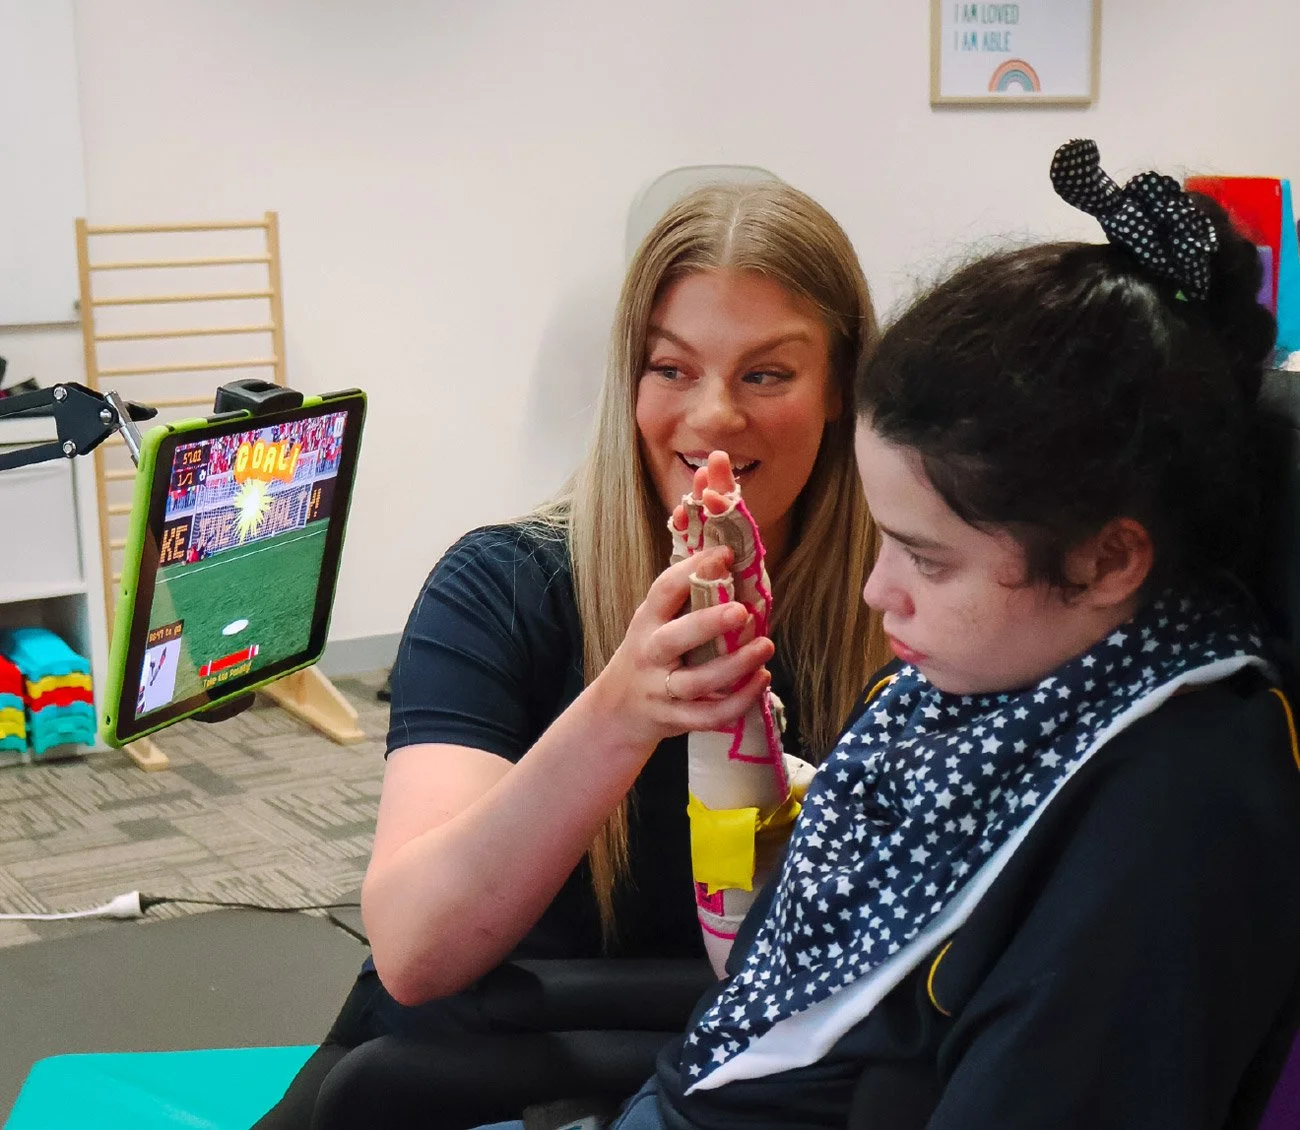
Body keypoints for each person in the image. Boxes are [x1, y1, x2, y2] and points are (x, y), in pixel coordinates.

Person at [560, 139, 1300, 1130]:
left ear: (1105, 559)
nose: (877, 592)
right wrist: (723, 712)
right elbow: (767, 956)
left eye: (927, 558)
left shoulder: (1175, 814)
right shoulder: (993, 678)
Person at [253, 179, 890, 1130]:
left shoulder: (902, 607)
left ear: (840, 386)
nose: (713, 417)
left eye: (767, 374)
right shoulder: (502, 587)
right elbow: (416, 951)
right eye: (672, 369)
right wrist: (622, 710)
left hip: (757, 1066)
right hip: (491, 1051)